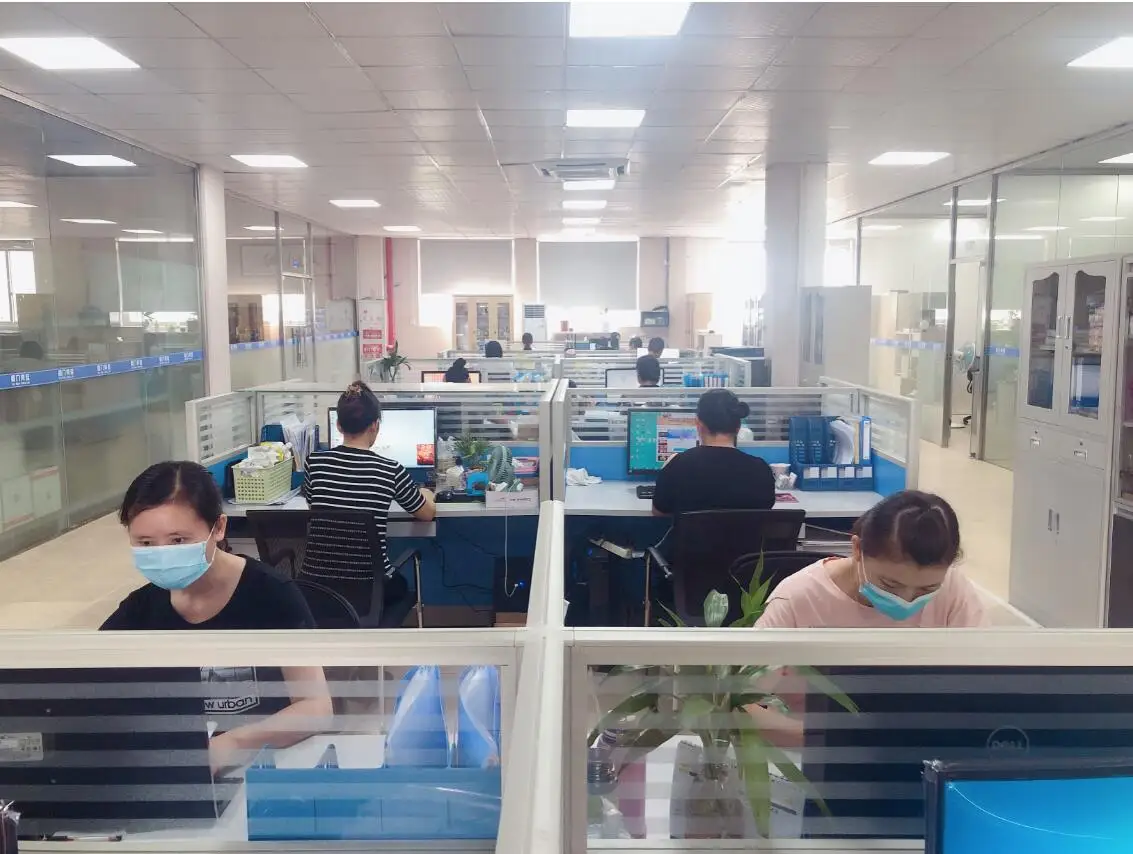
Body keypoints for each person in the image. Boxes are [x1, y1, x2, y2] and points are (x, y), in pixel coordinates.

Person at [101, 461, 332, 775]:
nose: (163, 553)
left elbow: (317, 707)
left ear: (219, 527)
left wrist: (235, 743)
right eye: (145, 543)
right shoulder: (140, 608)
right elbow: (82, 689)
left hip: (264, 768)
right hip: (178, 773)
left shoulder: (271, 594)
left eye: (178, 540)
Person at [756, 490, 984, 628]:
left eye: (927, 590)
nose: (906, 601)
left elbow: (984, 675)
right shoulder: (798, 598)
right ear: (857, 549)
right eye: (890, 584)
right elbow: (750, 689)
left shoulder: (953, 591)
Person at [303, 382, 437, 613]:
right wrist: (426, 493)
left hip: (316, 590)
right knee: (399, 583)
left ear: (338, 425)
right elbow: (426, 514)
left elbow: (313, 504)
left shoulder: (314, 463)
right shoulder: (390, 469)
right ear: (375, 425)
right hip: (370, 590)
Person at [652, 388, 774, 516]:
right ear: (738, 427)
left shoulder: (677, 465)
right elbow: (765, 512)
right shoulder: (761, 469)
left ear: (699, 425)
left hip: (694, 531)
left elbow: (658, 513)